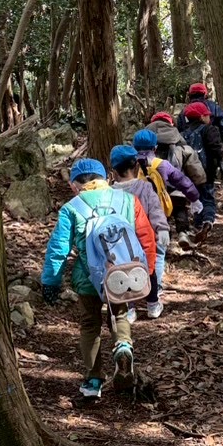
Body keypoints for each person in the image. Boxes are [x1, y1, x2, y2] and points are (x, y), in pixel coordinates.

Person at [40, 157, 156, 400]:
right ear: (105, 178)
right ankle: (123, 348)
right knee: (119, 315)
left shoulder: (72, 208)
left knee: (90, 325)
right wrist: (147, 271)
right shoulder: (128, 200)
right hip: (121, 275)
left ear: (74, 184)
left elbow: (59, 249)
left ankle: (93, 380)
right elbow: (146, 237)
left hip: (87, 278)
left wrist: (51, 281)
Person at [110, 142, 172, 318]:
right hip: (145, 239)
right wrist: (162, 228)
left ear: (113, 171)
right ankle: (152, 304)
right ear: (136, 166)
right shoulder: (145, 187)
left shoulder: (110, 192)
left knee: (124, 271)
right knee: (149, 270)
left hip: (120, 242)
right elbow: (156, 209)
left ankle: (129, 308)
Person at [132, 129, 203, 263]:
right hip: (159, 209)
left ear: (134, 146)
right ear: (155, 148)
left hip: (135, 209)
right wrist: (195, 198)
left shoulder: (129, 164)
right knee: (160, 239)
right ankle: (159, 264)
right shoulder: (162, 165)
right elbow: (182, 181)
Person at [148, 112, 208, 245]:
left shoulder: (145, 139)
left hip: (153, 188)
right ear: (171, 123)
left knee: (159, 213)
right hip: (176, 186)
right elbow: (192, 164)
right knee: (180, 208)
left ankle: (163, 241)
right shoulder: (178, 140)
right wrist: (200, 181)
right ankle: (183, 233)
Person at [179, 101, 223, 233]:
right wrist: (219, 162)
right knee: (208, 198)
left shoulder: (182, 134)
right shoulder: (209, 130)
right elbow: (215, 149)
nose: (210, 118)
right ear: (202, 117)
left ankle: (197, 224)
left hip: (189, 173)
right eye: (208, 115)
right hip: (207, 171)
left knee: (195, 198)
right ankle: (208, 220)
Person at [181, 83, 223, 166]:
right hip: (212, 147)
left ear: (190, 94)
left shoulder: (184, 111)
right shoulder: (214, 107)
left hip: (190, 153)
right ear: (204, 93)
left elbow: (180, 129)